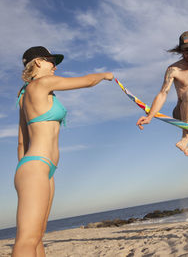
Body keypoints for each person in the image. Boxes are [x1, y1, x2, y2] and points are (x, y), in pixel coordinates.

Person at [13, 46, 114, 256]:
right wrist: (105, 75)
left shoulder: (24, 95)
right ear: (38, 62)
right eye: (51, 61)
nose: (55, 66)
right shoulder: (42, 83)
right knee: (27, 240)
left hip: (41, 169)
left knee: (37, 237)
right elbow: (87, 81)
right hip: (36, 167)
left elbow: (22, 142)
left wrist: (24, 174)